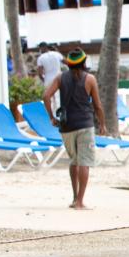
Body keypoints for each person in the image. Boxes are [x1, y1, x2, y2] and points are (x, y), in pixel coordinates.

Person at [42, 48, 107, 209]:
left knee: (74, 161)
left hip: (67, 126)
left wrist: (51, 116)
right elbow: (98, 106)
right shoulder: (90, 79)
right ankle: (80, 201)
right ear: (84, 63)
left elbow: (46, 96)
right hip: (85, 124)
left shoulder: (60, 78)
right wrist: (103, 124)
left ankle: (74, 198)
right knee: (84, 162)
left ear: (69, 64)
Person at [35, 43, 65, 111]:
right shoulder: (56, 54)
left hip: (48, 79)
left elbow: (40, 73)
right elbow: (67, 62)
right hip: (59, 77)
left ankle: (52, 117)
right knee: (59, 97)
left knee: (49, 98)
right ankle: (60, 114)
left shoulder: (40, 58)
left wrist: (43, 79)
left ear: (42, 48)